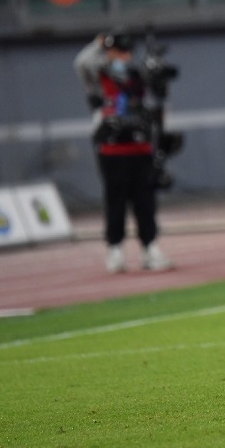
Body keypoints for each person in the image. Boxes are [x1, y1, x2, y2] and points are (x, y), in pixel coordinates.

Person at [74, 29, 173, 274]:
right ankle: (115, 250)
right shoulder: (98, 77)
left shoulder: (136, 75)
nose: (124, 56)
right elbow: (81, 62)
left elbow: (158, 95)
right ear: (108, 53)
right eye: (118, 51)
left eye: (127, 51)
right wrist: (98, 44)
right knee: (115, 199)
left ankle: (150, 248)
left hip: (140, 146)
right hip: (112, 147)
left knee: (145, 201)